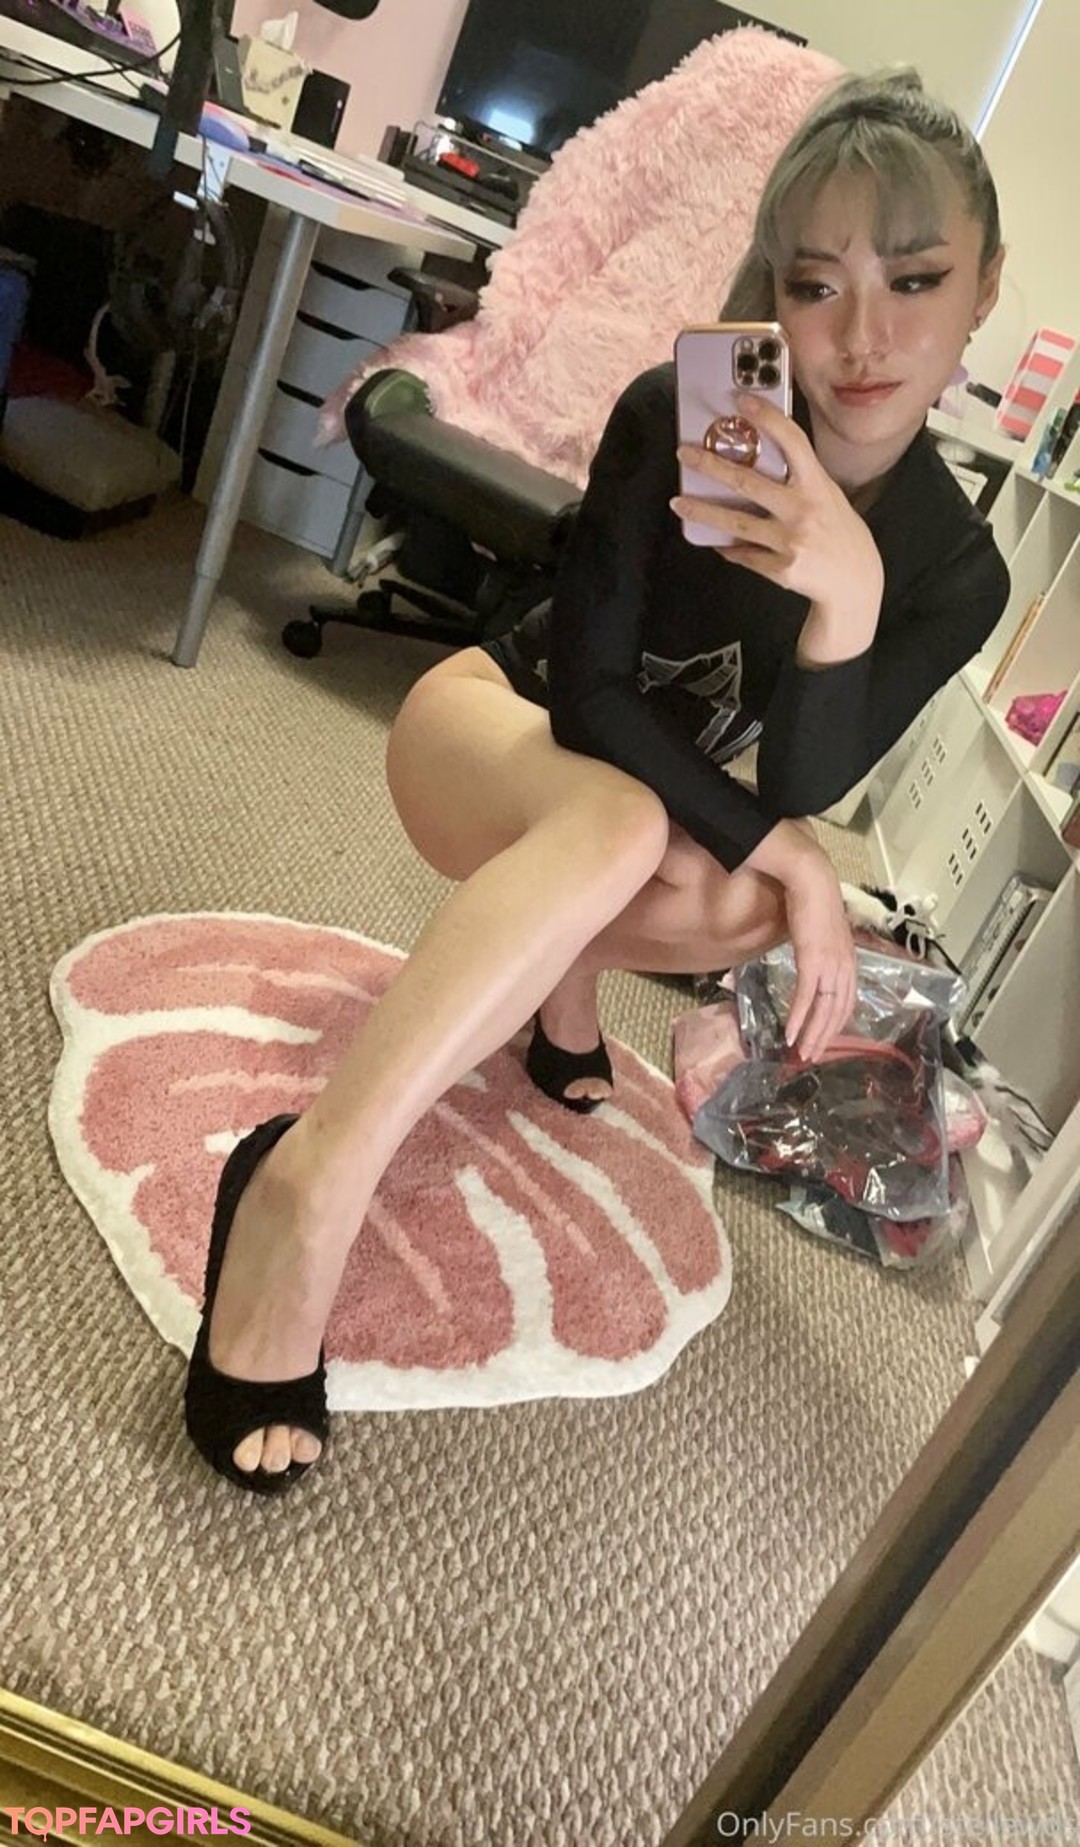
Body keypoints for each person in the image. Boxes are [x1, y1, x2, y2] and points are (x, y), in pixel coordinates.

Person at [184, 68, 1009, 1494]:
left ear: (984, 289)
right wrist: (790, 848)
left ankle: (556, 988)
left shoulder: (959, 569)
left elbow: (804, 775)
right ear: (776, 290)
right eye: (816, 285)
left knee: (757, 894)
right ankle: (305, 1182)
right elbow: (587, 695)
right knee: (663, 825)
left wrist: (851, 596)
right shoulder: (691, 412)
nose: (864, 337)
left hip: (623, 813)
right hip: (485, 727)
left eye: (918, 279)